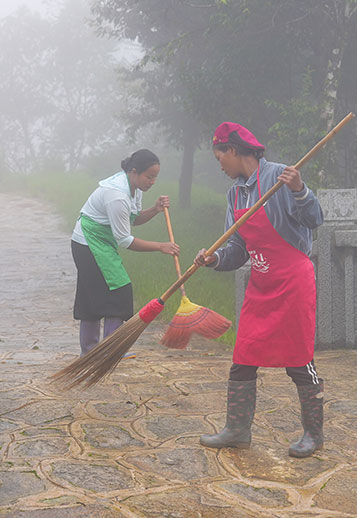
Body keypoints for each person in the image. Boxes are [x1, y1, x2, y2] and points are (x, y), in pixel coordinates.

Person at [194, 122, 325, 458]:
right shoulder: (235, 194)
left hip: (293, 282)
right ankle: (237, 430)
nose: (219, 163)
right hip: (262, 282)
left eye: (220, 156)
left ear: (234, 151)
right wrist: (215, 258)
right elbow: (238, 248)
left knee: (298, 361)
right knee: (243, 357)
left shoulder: (282, 176)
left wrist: (300, 190)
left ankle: (313, 434)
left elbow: (314, 219)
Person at [71, 149, 179, 356]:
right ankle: (101, 351)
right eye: (149, 176)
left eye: (155, 177)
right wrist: (160, 246)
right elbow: (125, 240)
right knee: (113, 294)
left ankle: (103, 351)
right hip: (88, 244)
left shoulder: (134, 188)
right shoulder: (117, 195)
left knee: (102, 294)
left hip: (102, 243)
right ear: (134, 172)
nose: (152, 182)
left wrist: (155, 209)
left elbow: (132, 220)